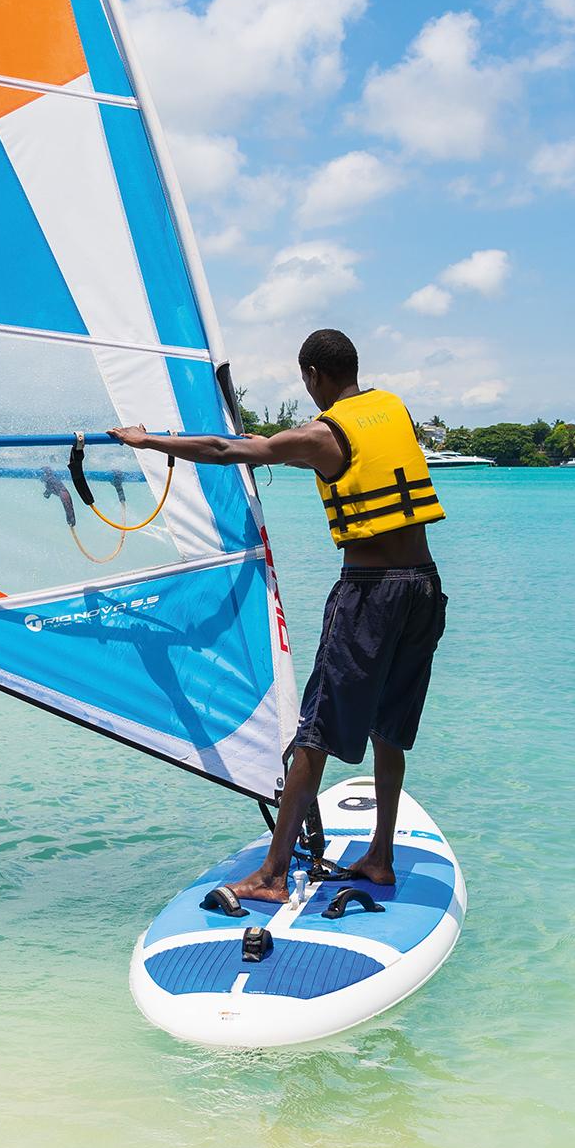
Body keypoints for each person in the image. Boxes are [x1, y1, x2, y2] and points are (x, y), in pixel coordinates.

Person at [112, 327, 446, 903]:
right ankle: (381, 857)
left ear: (313, 376)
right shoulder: (391, 409)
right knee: (389, 729)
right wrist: (274, 441)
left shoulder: (320, 433)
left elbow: (227, 452)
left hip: (371, 593)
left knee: (314, 731)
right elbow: (333, 452)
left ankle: (270, 875)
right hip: (423, 587)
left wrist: (149, 442)